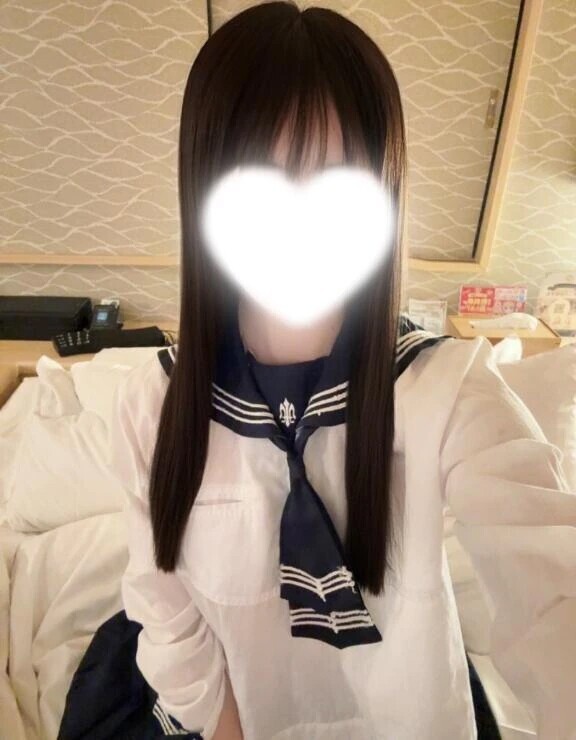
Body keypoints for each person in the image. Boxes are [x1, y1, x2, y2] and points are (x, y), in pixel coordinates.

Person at [110, 3, 576, 739]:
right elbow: (166, 614)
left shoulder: (449, 392)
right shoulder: (153, 407)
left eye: (337, 192)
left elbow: (554, 589)